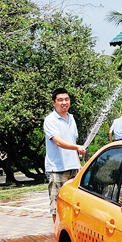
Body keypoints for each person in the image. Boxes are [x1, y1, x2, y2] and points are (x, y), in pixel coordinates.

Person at [44, 88, 86, 222]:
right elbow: (59, 142)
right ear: (53, 103)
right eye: (60, 100)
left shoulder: (71, 118)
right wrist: (77, 147)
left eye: (66, 99)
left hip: (73, 168)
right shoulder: (50, 120)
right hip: (57, 169)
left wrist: (78, 163)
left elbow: (71, 141)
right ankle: (57, 237)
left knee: (74, 204)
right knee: (57, 205)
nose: (64, 102)